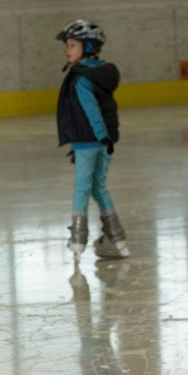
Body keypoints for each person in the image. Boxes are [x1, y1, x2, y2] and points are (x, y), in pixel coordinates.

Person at [56, 19, 129, 261]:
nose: (68, 50)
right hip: (102, 142)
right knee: (99, 187)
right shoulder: (99, 72)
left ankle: (78, 238)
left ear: (87, 47)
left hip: (90, 140)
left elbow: (91, 111)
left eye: (73, 45)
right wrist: (105, 139)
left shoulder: (81, 78)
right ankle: (116, 237)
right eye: (67, 45)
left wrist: (100, 135)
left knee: (81, 189)